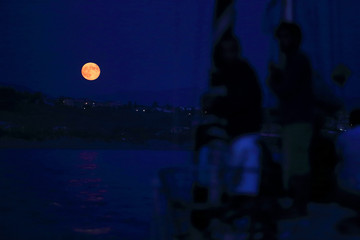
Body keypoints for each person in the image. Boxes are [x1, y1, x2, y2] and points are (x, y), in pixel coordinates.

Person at [267, 22, 314, 217]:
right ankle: (298, 204)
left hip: (297, 120)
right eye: (280, 38)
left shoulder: (297, 61)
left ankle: (299, 205)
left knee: (297, 164)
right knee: (296, 162)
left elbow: (287, 90)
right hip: (296, 119)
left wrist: (273, 82)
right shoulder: (296, 61)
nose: (282, 42)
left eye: (286, 37)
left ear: (295, 39)